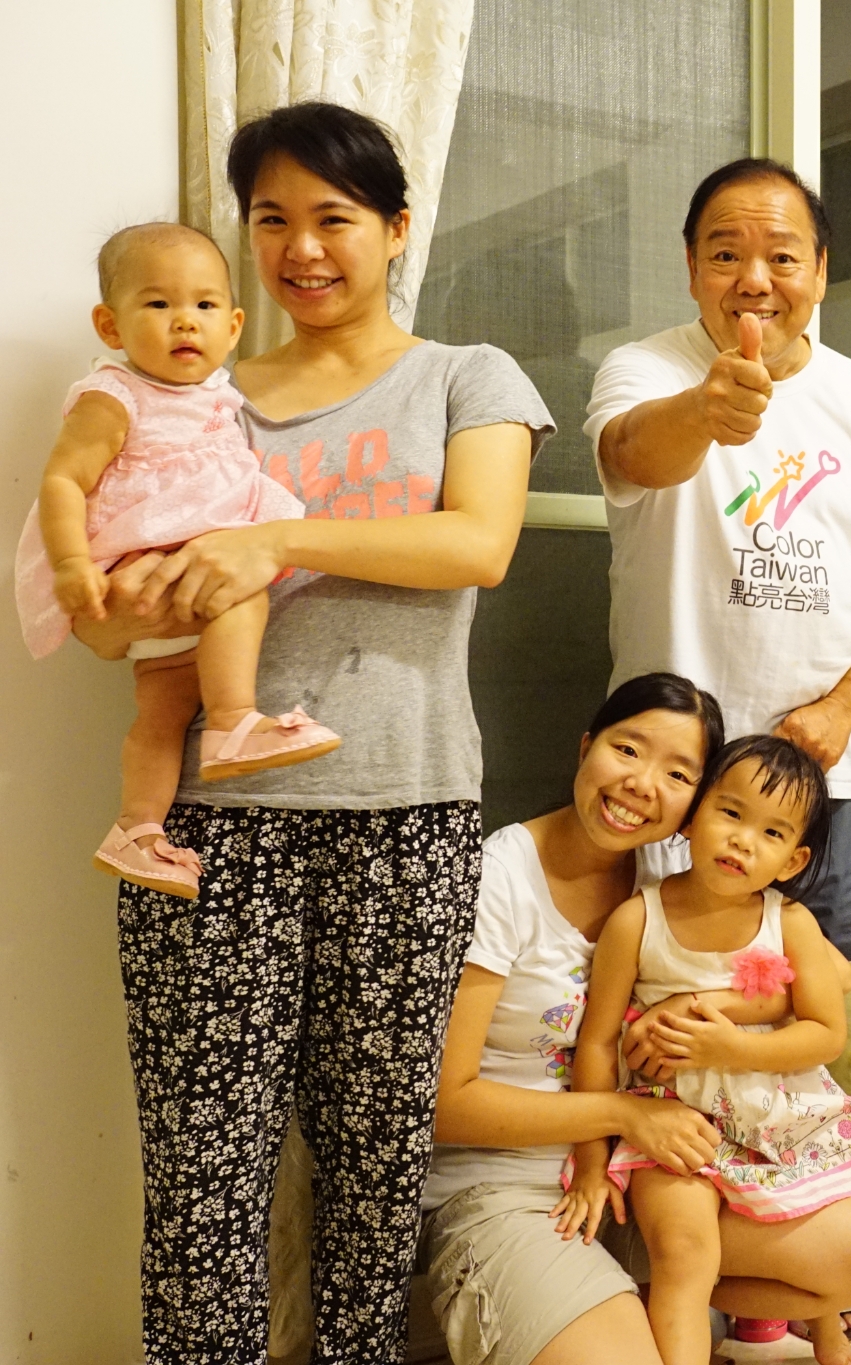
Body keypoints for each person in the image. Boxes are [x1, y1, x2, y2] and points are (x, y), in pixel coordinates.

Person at [71, 102, 552, 1359]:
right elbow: (113, 618)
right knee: (203, 1174)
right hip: (204, 830)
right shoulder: (192, 391)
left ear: (395, 229)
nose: (301, 248)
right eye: (271, 219)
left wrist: (270, 538)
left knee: (376, 1166)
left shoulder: (466, 375)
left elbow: (478, 544)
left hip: (408, 817)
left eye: (333, 218)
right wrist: (125, 600)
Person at [426, 675, 851, 1365]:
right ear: (586, 746)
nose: (642, 784)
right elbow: (444, 1105)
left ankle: (655, 1299)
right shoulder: (497, 878)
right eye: (627, 749)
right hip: (518, 1186)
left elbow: (832, 977)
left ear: (694, 805)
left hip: (661, 1174)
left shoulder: (683, 863)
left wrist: (702, 1012)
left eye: (678, 773)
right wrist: (626, 1113)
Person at [587, 157, 851, 962]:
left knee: (825, 997)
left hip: (819, 777)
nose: (754, 280)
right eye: (725, 255)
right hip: (677, 776)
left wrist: (843, 706)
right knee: (670, 995)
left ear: (820, 271)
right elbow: (631, 453)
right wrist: (703, 409)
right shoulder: (644, 369)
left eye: (782, 257)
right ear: (691, 268)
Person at [560, 735, 851, 1365]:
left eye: (772, 832)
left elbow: (825, 1032)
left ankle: (813, 1316)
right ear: (692, 817)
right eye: (730, 813)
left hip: (778, 1115)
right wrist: (591, 1160)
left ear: (792, 859)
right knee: (685, 1255)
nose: (743, 841)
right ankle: (684, 1309)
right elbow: (595, 1041)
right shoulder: (637, 920)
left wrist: (729, 1044)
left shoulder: (792, 922)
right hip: (679, 1130)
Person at [15, 223, 330, 900]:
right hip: (152, 557)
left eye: (205, 305)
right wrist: (70, 563)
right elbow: (64, 479)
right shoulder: (116, 395)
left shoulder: (217, 393)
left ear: (234, 325)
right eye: (158, 303)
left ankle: (136, 831)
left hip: (177, 586)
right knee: (242, 590)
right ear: (111, 325)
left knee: (160, 714)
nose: (185, 320)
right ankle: (234, 722)